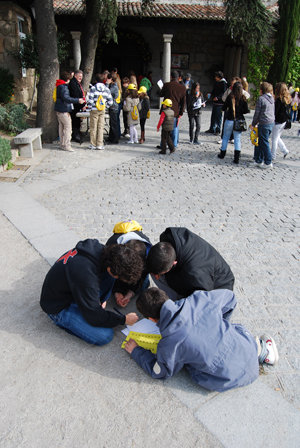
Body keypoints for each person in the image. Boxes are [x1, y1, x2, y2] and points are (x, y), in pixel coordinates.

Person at [124, 288, 279, 392]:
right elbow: (230, 297)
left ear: (151, 319)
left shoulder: (170, 342)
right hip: (248, 352)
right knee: (236, 330)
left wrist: (136, 351)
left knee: (189, 367)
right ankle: (262, 350)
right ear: (166, 298)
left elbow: (160, 371)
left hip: (227, 379)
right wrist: (219, 326)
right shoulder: (199, 299)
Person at [40, 242, 144, 346]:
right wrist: (123, 319)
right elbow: (95, 316)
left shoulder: (106, 252)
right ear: (110, 270)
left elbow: (108, 278)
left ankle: (89, 304)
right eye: (120, 278)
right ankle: (62, 321)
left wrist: (104, 299)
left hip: (74, 286)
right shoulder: (87, 277)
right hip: (58, 306)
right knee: (104, 335)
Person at [146, 227, 235, 301]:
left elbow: (203, 300)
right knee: (156, 273)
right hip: (192, 272)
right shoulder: (169, 240)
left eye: (161, 273)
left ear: (174, 262)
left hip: (217, 289)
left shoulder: (196, 274)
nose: (157, 277)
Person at [106, 220, 152, 307]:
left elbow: (142, 275)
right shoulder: (111, 248)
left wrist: (130, 294)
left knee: (143, 285)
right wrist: (117, 292)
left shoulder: (149, 255)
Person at [218, 82, 250, 164]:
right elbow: (246, 110)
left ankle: (222, 154)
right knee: (237, 139)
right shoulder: (243, 98)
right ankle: (236, 158)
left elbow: (224, 107)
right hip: (238, 120)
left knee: (225, 137)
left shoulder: (230, 97)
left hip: (229, 119)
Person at [54, 71, 85, 152]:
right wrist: (77, 100)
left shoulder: (59, 85)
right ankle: (67, 145)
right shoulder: (64, 87)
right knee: (68, 128)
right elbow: (66, 98)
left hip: (59, 109)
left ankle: (62, 144)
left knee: (61, 127)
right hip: (63, 109)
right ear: (68, 79)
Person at [250, 82, 275, 169]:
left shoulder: (261, 99)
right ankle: (258, 160)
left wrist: (253, 124)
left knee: (264, 143)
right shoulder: (271, 98)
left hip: (264, 123)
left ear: (261, 90)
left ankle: (268, 162)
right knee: (260, 142)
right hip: (270, 122)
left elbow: (257, 113)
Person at [159, 70, 186, 149]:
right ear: (178, 78)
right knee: (174, 128)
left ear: (171, 77)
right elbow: (183, 102)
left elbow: (161, 94)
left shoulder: (167, 85)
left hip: (166, 109)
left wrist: (161, 88)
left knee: (164, 128)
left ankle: (163, 145)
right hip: (175, 110)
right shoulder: (182, 88)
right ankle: (173, 144)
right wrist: (181, 112)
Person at [86, 73, 113, 150]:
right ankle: (99, 144)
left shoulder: (93, 88)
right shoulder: (106, 89)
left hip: (94, 110)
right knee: (101, 127)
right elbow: (110, 101)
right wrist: (105, 107)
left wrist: (90, 108)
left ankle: (93, 144)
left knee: (93, 127)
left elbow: (90, 100)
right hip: (102, 110)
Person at [271, 82, 291, 161]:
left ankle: (273, 155)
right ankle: (285, 150)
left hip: (278, 121)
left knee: (274, 139)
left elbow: (276, 111)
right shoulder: (287, 99)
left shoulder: (279, 100)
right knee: (277, 137)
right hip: (284, 121)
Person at [68, 69, 86, 143]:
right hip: (75, 106)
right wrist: (82, 105)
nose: (80, 78)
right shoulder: (73, 83)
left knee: (77, 121)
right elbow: (76, 95)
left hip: (78, 105)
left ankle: (77, 134)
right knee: (75, 121)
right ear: (75, 75)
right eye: (79, 76)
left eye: (81, 76)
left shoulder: (77, 83)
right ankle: (75, 135)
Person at [106, 73, 120, 144]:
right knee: (111, 123)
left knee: (114, 124)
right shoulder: (113, 85)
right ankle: (111, 137)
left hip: (114, 107)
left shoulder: (114, 87)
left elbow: (106, 92)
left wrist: (107, 84)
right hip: (112, 107)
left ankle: (115, 138)